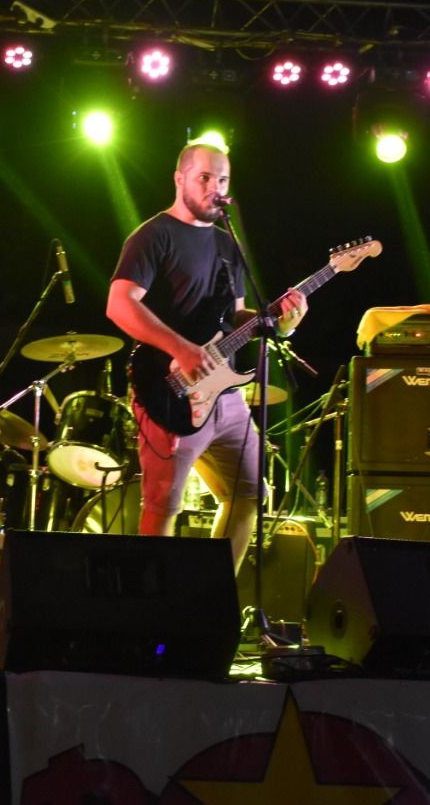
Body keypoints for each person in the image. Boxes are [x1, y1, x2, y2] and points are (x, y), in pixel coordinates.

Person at [106, 142, 306, 569]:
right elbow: (119, 304)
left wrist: (281, 322)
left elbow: (234, 317)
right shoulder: (153, 236)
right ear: (179, 179)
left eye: (223, 180)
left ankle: (212, 594)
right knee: (163, 507)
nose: (216, 188)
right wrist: (181, 348)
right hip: (169, 390)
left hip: (226, 394)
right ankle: (153, 601)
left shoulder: (227, 244)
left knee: (251, 494)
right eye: (205, 178)